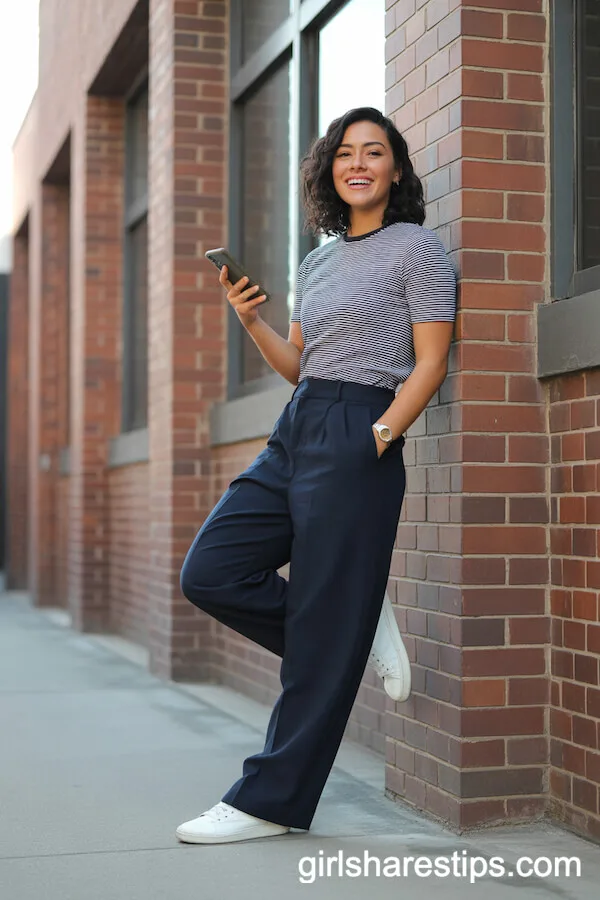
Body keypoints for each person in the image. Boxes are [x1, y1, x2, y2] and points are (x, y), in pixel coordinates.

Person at [176, 107, 456, 845]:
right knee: (211, 569)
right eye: (345, 154)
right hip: (299, 423)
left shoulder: (417, 250)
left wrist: (381, 437)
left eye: (375, 152)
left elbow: (430, 360)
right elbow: (302, 364)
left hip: (361, 428)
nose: (357, 164)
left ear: (396, 169)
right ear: (330, 169)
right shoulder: (319, 259)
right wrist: (252, 323)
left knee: (324, 635)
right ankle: (351, 632)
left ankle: (265, 802)